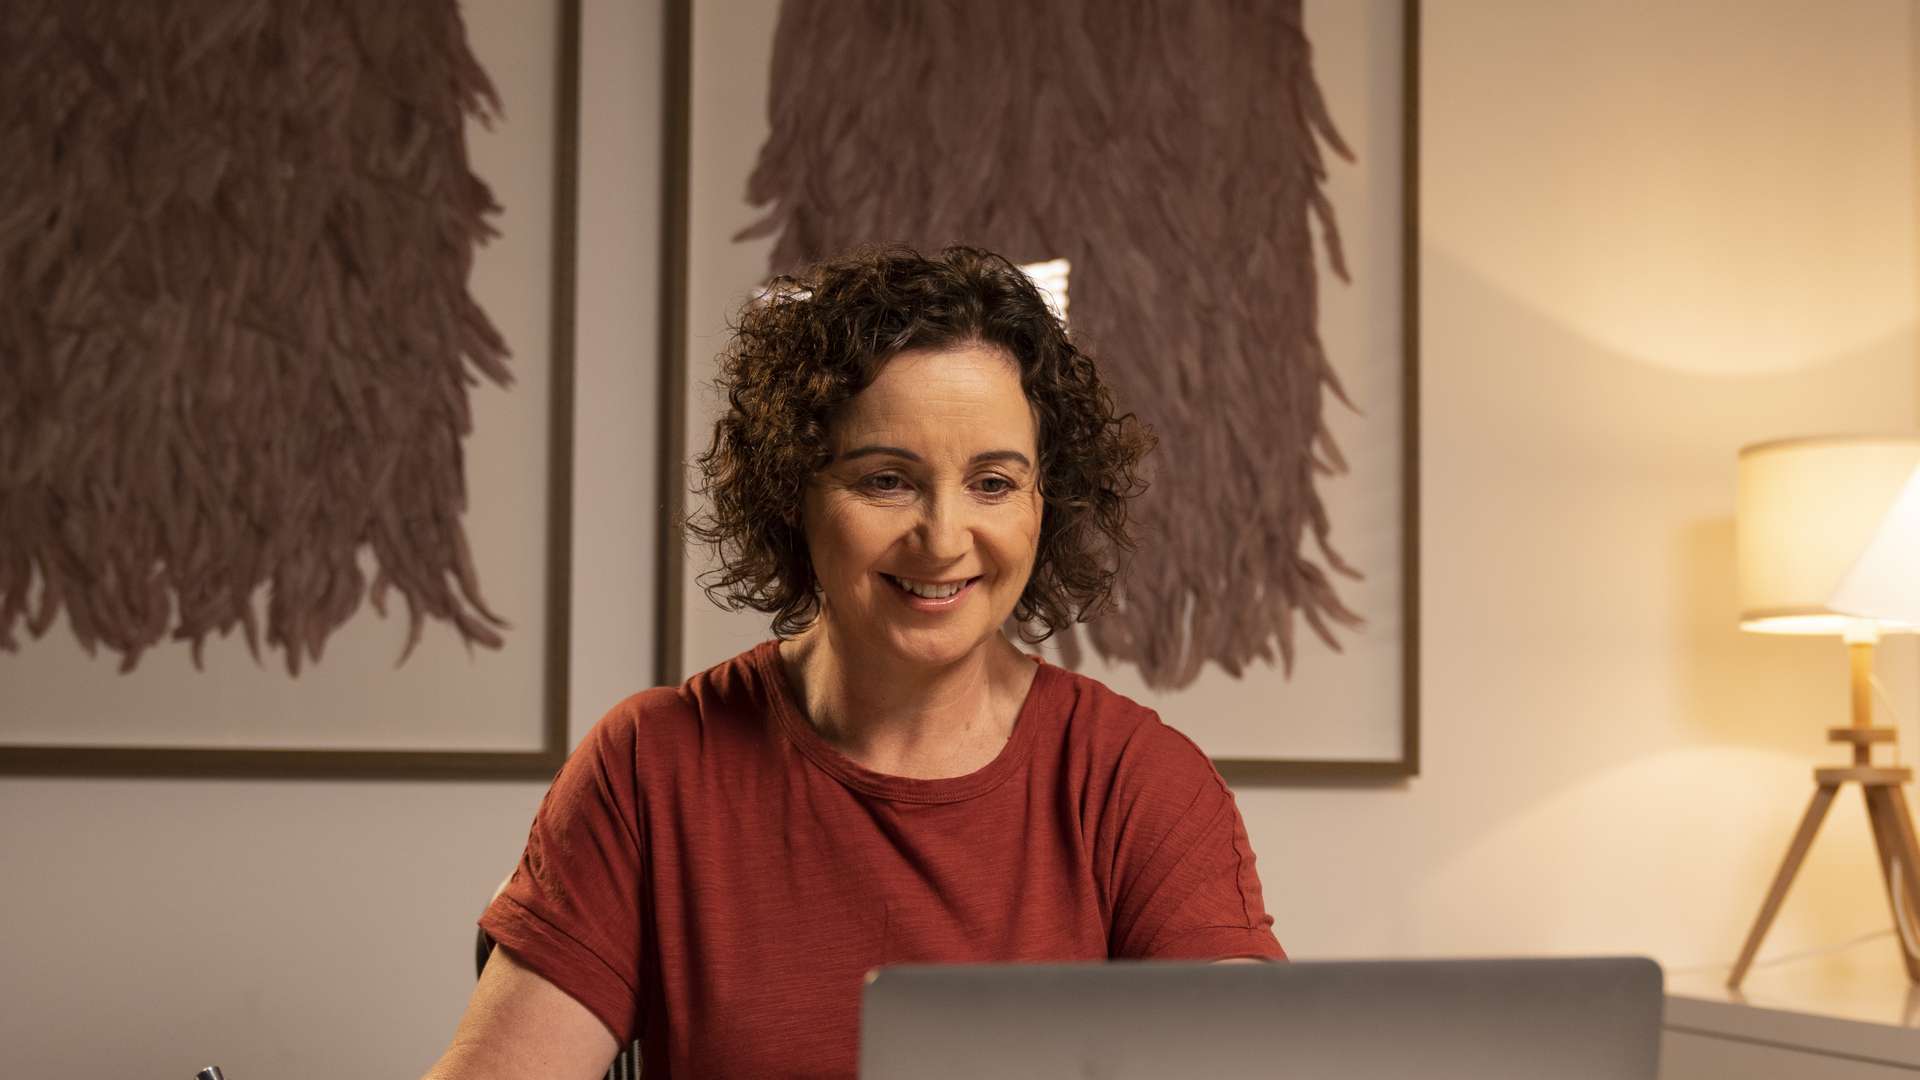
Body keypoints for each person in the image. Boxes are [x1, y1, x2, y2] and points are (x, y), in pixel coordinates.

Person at [424, 246, 1286, 1080]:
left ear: (1043, 503)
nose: (944, 539)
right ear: (792, 494)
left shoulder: (1138, 784)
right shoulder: (652, 768)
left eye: (992, 483)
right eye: (886, 481)